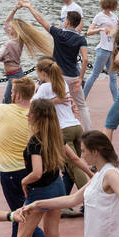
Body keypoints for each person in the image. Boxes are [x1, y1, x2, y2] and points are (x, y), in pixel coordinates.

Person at [0, 77, 61, 237]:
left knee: (22, 218)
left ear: (17, 94)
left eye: (12, 93)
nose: (10, 95)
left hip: (11, 173)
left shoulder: (2, 110)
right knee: (16, 212)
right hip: (29, 169)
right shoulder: (36, 114)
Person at [3, 99, 72, 237]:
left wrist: (24, 181)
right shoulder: (56, 136)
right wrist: (90, 173)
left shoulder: (35, 142)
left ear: (37, 117)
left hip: (40, 192)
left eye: (30, 113)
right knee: (53, 233)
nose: (27, 115)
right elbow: (74, 159)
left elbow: (37, 172)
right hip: (57, 187)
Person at [20, 0, 92, 131]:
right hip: (74, 77)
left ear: (67, 22)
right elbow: (85, 59)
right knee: (82, 105)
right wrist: (80, 78)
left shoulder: (58, 33)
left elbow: (41, 20)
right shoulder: (81, 39)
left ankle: (38, 128)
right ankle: (88, 132)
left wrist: (29, 6)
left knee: (48, 100)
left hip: (58, 76)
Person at [33, 57, 89, 202]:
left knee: (75, 167)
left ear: (43, 73)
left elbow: (34, 106)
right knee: (70, 167)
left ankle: (89, 197)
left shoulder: (44, 88)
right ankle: (63, 201)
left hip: (63, 130)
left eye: (37, 72)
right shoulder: (62, 83)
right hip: (76, 126)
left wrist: (37, 90)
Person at [0, 0, 53, 104]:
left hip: (14, 76)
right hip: (15, 74)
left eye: (11, 27)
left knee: (7, 101)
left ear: (15, 30)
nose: (9, 28)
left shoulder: (10, 44)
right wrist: (15, 9)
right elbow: (7, 23)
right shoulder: (19, 40)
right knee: (13, 100)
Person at [84, 0, 119, 102]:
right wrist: (101, 29)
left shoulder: (113, 16)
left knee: (113, 77)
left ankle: (117, 102)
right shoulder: (99, 16)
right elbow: (89, 32)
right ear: (112, 4)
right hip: (103, 50)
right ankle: (83, 98)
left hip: (112, 51)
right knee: (94, 75)